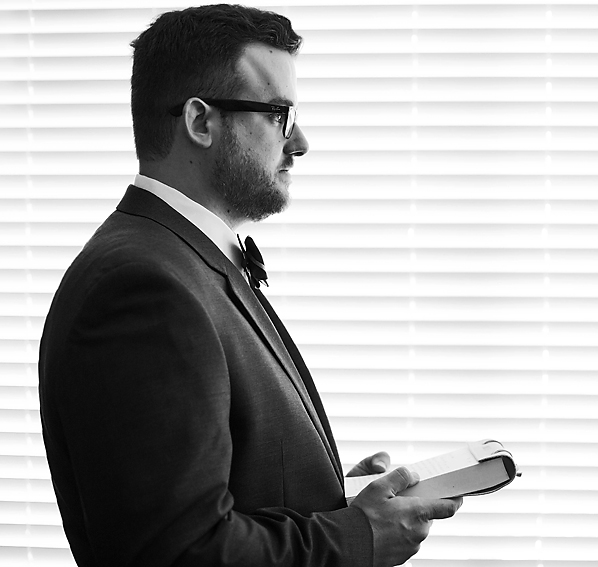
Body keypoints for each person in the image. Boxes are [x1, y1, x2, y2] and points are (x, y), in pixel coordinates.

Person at [38, 5, 460, 566]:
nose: (301, 141)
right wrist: (359, 538)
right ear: (200, 122)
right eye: (279, 113)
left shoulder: (183, 260)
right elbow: (180, 554)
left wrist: (334, 506)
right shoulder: (143, 288)